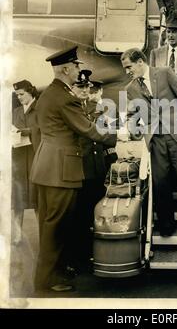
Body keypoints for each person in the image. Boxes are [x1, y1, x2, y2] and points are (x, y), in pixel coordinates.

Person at [30, 46, 116, 292]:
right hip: (61, 169)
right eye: (76, 66)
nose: (79, 70)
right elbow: (89, 130)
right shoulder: (65, 97)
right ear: (66, 69)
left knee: (49, 223)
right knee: (56, 226)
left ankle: (52, 272)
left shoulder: (49, 94)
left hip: (47, 166)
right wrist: (119, 136)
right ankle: (47, 280)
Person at [121, 48, 177, 237]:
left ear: (140, 62)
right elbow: (132, 115)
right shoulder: (130, 89)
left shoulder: (165, 73)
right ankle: (166, 223)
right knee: (160, 182)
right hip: (156, 138)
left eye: (129, 67)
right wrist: (134, 129)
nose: (127, 72)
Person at [70, 70, 117, 273]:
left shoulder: (96, 108)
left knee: (94, 213)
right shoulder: (70, 108)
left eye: (86, 87)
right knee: (77, 216)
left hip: (97, 168)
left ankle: (92, 254)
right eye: (79, 86)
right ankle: (76, 258)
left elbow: (107, 136)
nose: (84, 90)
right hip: (78, 169)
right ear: (72, 88)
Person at [11, 80, 40, 243]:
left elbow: (43, 128)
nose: (20, 98)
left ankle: (42, 235)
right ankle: (17, 235)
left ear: (31, 91)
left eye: (22, 94)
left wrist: (26, 132)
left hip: (35, 155)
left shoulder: (40, 108)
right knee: (18, 196)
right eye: (17, 95)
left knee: (37, 197)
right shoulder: (16, 111)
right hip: (20, 157)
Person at [150, 18, 177, 83]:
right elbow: (152, 77)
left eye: (174, 32)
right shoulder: (155, 53)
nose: (170, 35)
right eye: (168, 32)